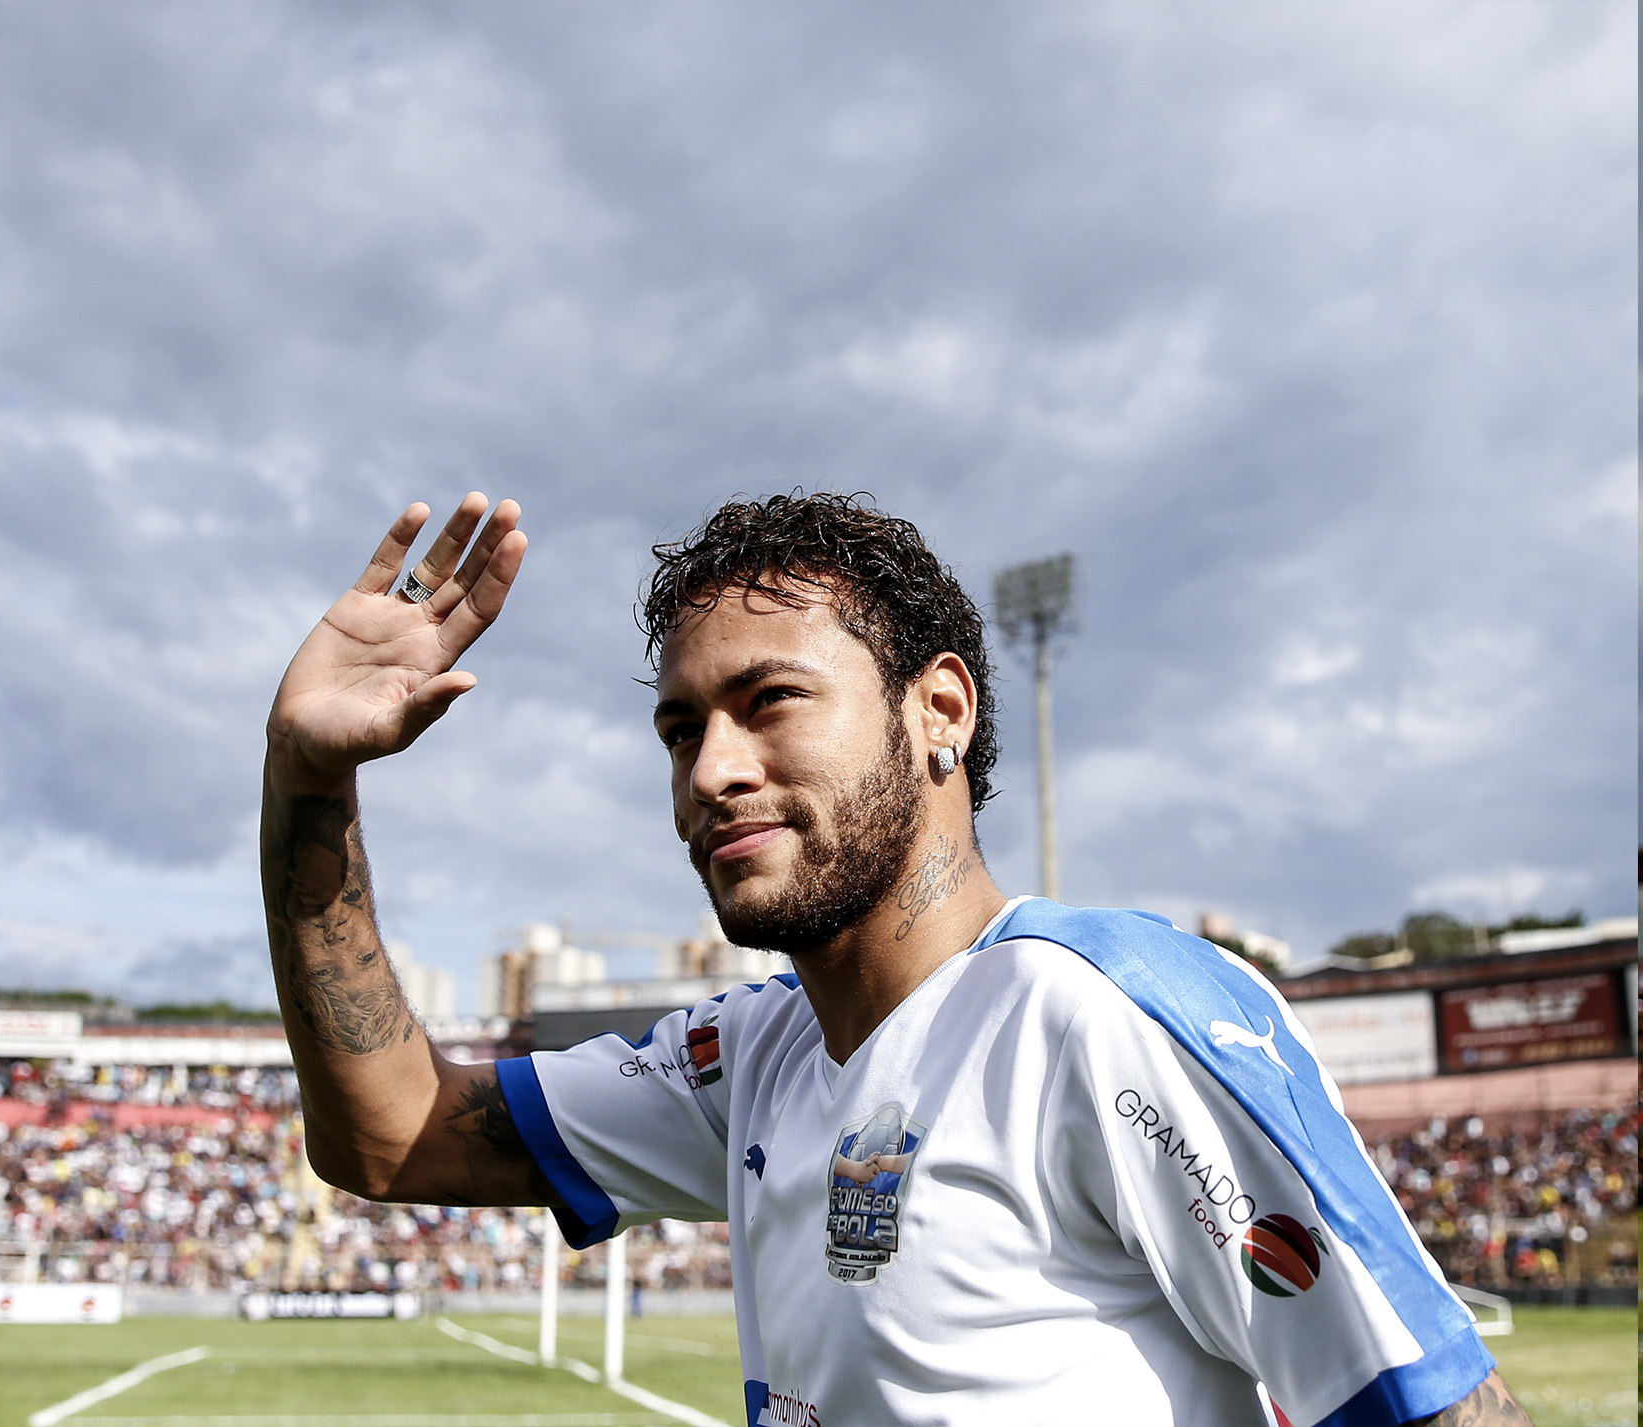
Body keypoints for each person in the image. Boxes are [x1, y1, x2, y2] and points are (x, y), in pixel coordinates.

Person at [259, 491, 1529, 1426]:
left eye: (770, 700)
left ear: (941, 710)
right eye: (679, 728)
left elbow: (1431, 1408)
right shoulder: (743, 1057)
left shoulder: (1102, 1012)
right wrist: (308, 779)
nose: (711, 771)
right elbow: (389, 1131)